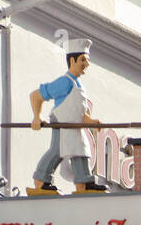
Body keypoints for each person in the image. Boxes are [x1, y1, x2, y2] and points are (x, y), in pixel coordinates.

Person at [28, 37, 107, 196]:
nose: (87, 64)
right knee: (57, 151)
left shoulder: (79, 86)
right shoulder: (64, 82)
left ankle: (83, 183)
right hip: (62, 124)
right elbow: (36, 96)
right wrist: (37, 117)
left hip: (74, 125)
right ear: (72, 60)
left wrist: (91, 122)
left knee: (81, 150)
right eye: (83, 60)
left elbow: (78, 112)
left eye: (87, 60)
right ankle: (41, 181)